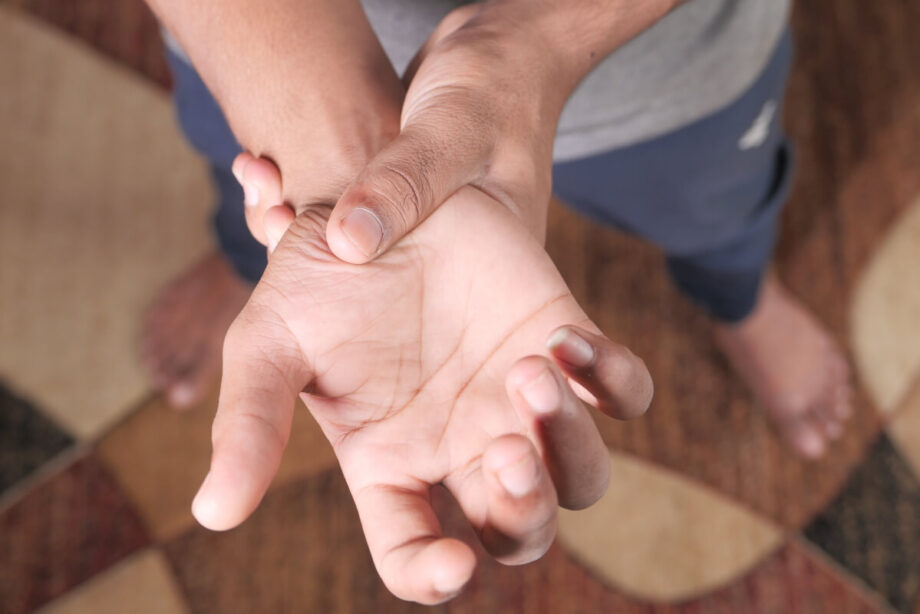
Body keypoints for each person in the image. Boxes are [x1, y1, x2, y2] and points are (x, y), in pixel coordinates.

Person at [139, 0, 853, 604]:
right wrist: (331, 178)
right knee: (263, 203)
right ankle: (249, 259)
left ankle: (738, 293)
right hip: (262, 46)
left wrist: (541, 38)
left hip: (663, 68)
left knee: (714, 210)